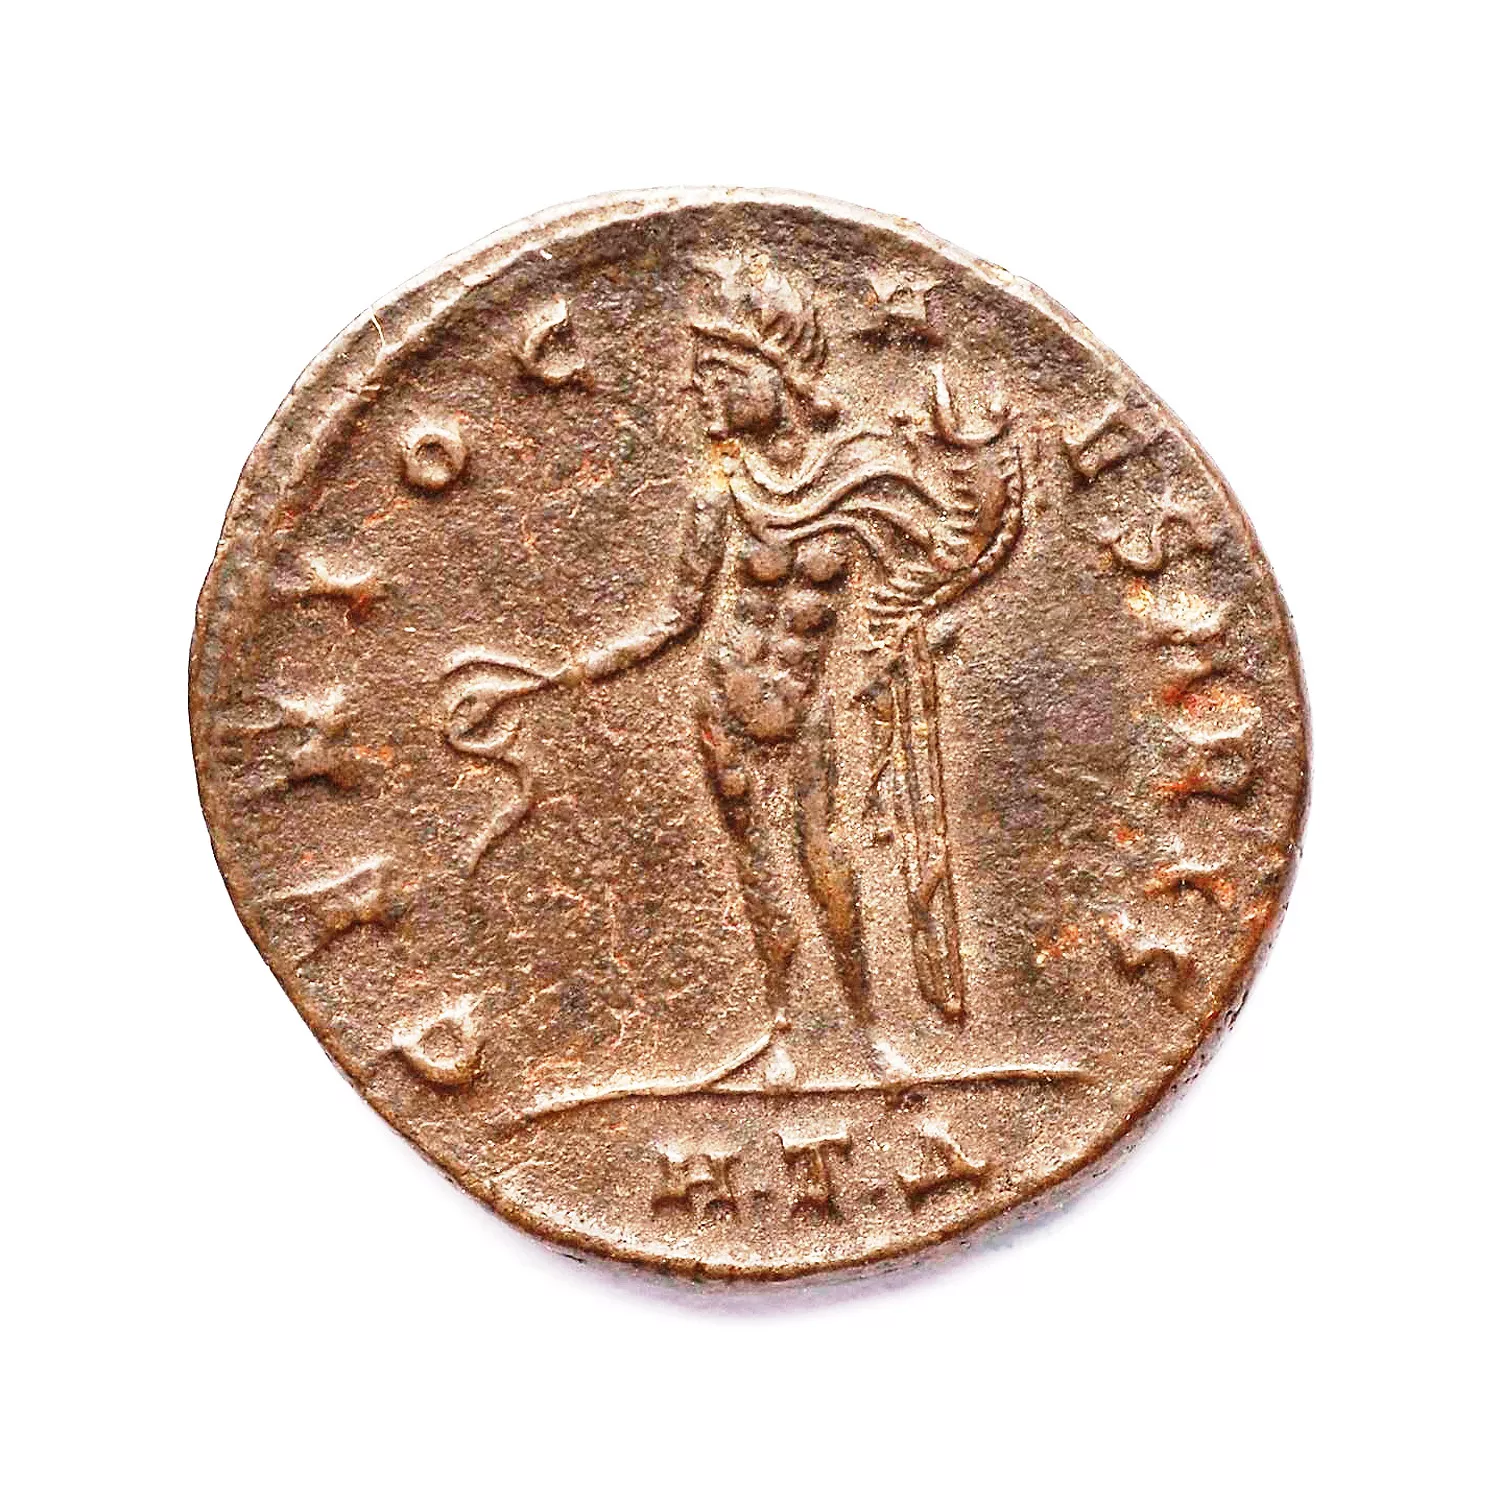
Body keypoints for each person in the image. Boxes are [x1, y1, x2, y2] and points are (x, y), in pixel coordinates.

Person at [535, 259, 1026, 1084]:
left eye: (722, 376)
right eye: (701, 378)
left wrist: (978, 457)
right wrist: (557, 675)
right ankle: (782, 1031)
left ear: (780, 378)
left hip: (808, 708)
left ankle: (869, 1034)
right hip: (723, 709)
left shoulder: (864, 479)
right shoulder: (723, 493)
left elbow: (954, 549)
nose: (704, 395)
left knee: (830, 868)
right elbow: (677, 618)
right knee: (760, 871)